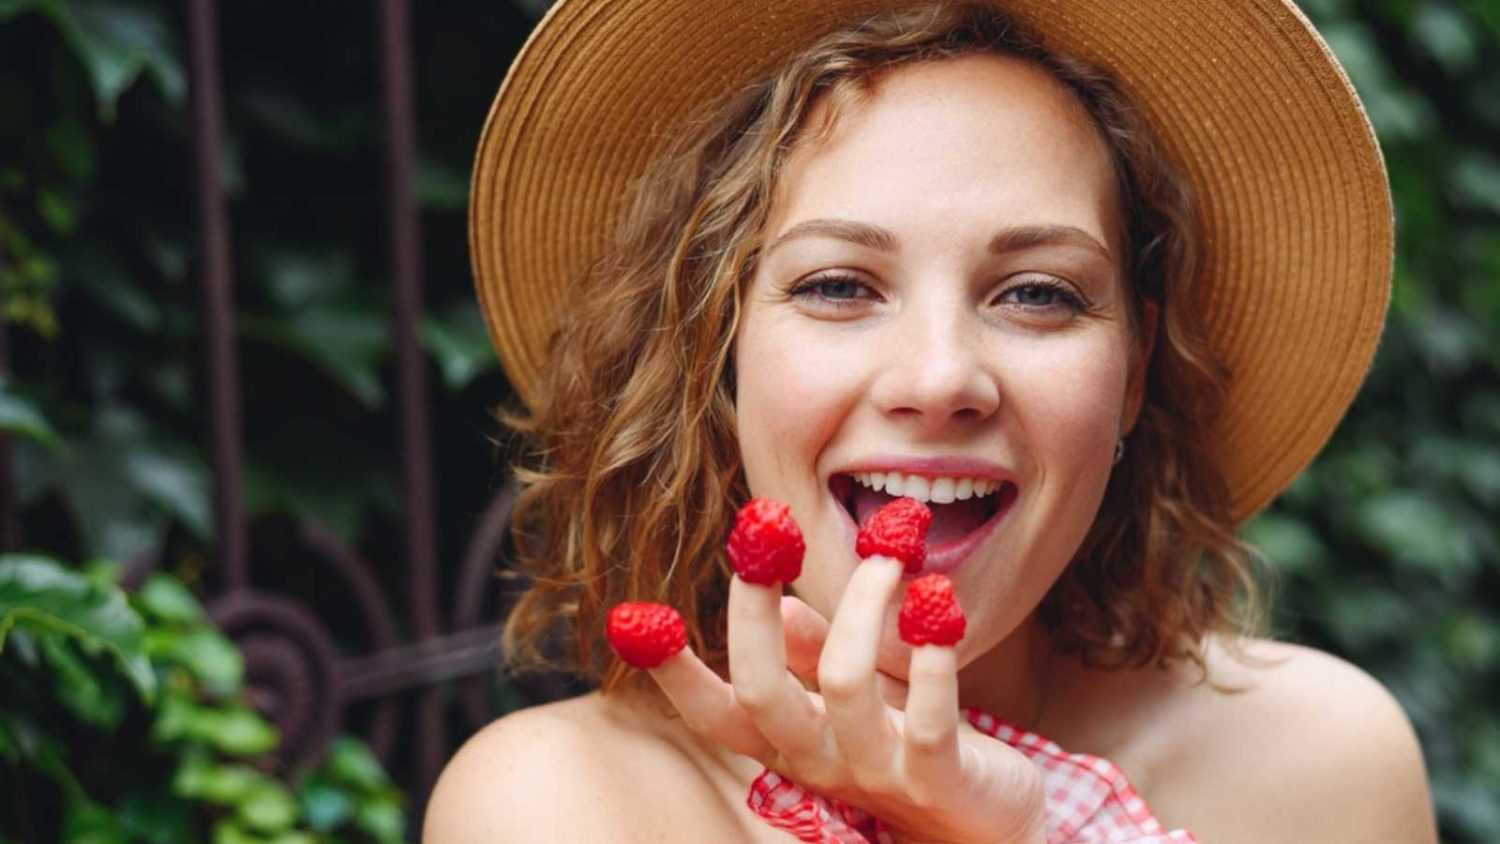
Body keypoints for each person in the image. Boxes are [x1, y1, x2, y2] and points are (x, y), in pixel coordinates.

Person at [426, 2, 1437, 841]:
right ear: (715, 356)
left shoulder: (1321, 767)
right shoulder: (557, 805)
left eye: (1037, 293)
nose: (942, 376)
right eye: (837, 285)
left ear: (1132, 371)